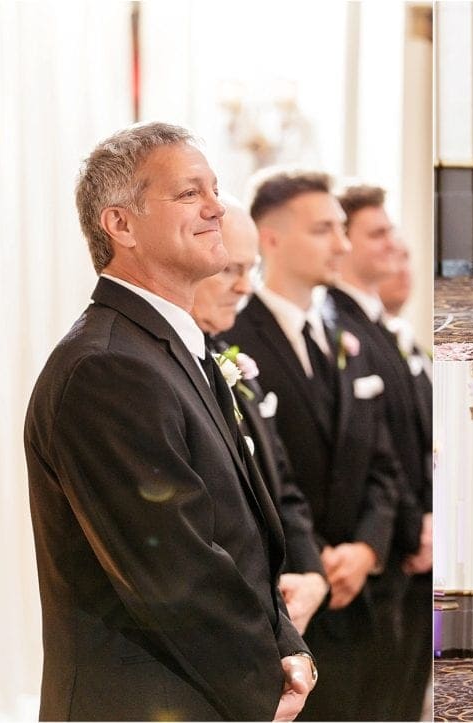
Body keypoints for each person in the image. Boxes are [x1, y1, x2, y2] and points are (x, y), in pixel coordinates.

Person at [24, 122, 316, 721]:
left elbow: (239, 534)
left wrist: (285, 642)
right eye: (189, 194)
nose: (216, 209)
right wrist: (266, 683)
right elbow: (173, 565)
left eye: (215, 189)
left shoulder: (166, 346)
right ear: (121, 225)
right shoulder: (105, 367)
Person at [226, 170, 401, 721]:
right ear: (270, 238)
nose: (343, 245)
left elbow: (383, 461)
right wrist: (316, 566)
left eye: (343, 229)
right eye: (325, 229)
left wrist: (367, 548)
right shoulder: (231, 337)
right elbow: (255, 475)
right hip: (287, 602)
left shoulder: (344, 334)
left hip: (364, 596)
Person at [190, 199, 329, 634]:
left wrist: (310, 574)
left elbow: (281, 484)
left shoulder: (229, 358)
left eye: (252, 271)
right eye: (231, 269)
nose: (246, 287)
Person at [331, 185, 433, 720]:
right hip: (383, 549)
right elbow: (377, 444)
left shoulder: (382, 330)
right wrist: (416, 526)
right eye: (379, 233)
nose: (394, 244)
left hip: (409, 549)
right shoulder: (343, 330)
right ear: (339, 243)